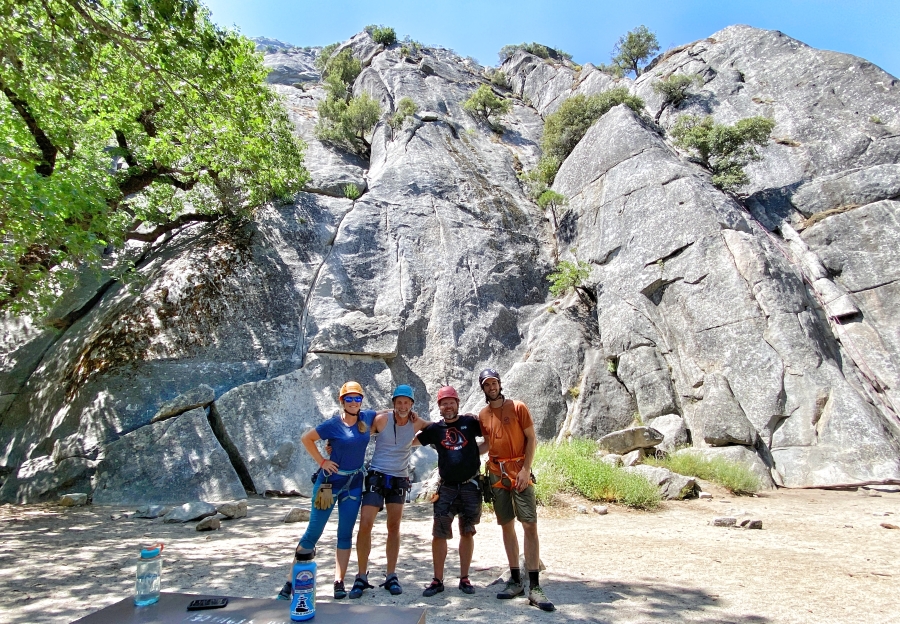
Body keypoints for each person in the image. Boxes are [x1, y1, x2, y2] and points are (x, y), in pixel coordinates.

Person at [277, 381, 377, 601]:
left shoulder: (367, 418)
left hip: (353, 485)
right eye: (349, 398)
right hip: (328, 485)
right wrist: (322, 461)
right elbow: (307, 438)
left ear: (361, 401)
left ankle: (339, 581)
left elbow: (388, 415)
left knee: (345, 534)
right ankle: (289, 582)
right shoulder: (333, 424)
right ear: (342, 401)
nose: (353, 402)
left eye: (357, 398)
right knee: (313, 532)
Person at [477, 368, 555, 612]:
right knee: (506, 525)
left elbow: (531, 438)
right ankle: (515, 580)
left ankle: (534, 585)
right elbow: (488, 444)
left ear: (500, 384)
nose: (491, 387)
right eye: (487, 385)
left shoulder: (518, 407)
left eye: (494, 383)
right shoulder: (483, 414)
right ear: (483, 389)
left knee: (529, 524)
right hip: (497, 474)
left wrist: (525, 469)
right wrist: (460, 452)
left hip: (519, 471)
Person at [348, 384, 429, 598]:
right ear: (393, 403)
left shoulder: (417, 423)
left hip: (399, 478)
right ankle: (361, 576)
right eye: (399, 402)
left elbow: (437, 430)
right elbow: (360, 433)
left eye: (406, 402)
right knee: (365, 523)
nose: (403, 406)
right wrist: (333, 446)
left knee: (394, 526)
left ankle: (391, 575)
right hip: (377, 475)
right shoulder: (382, 419)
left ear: (412, 404)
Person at [414, 385, 486, 597]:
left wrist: (474, 455)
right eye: (444, 403)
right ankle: (438, 580)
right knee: (439, 534)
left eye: (451, 402)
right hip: (446, 488)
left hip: (470, 485)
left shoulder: (470, 423)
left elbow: (491, 436)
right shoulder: (435, 430)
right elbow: (409, 442)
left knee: (467, 531)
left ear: (457, 403)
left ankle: (464, 578)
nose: (448, 406)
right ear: (439, 406)